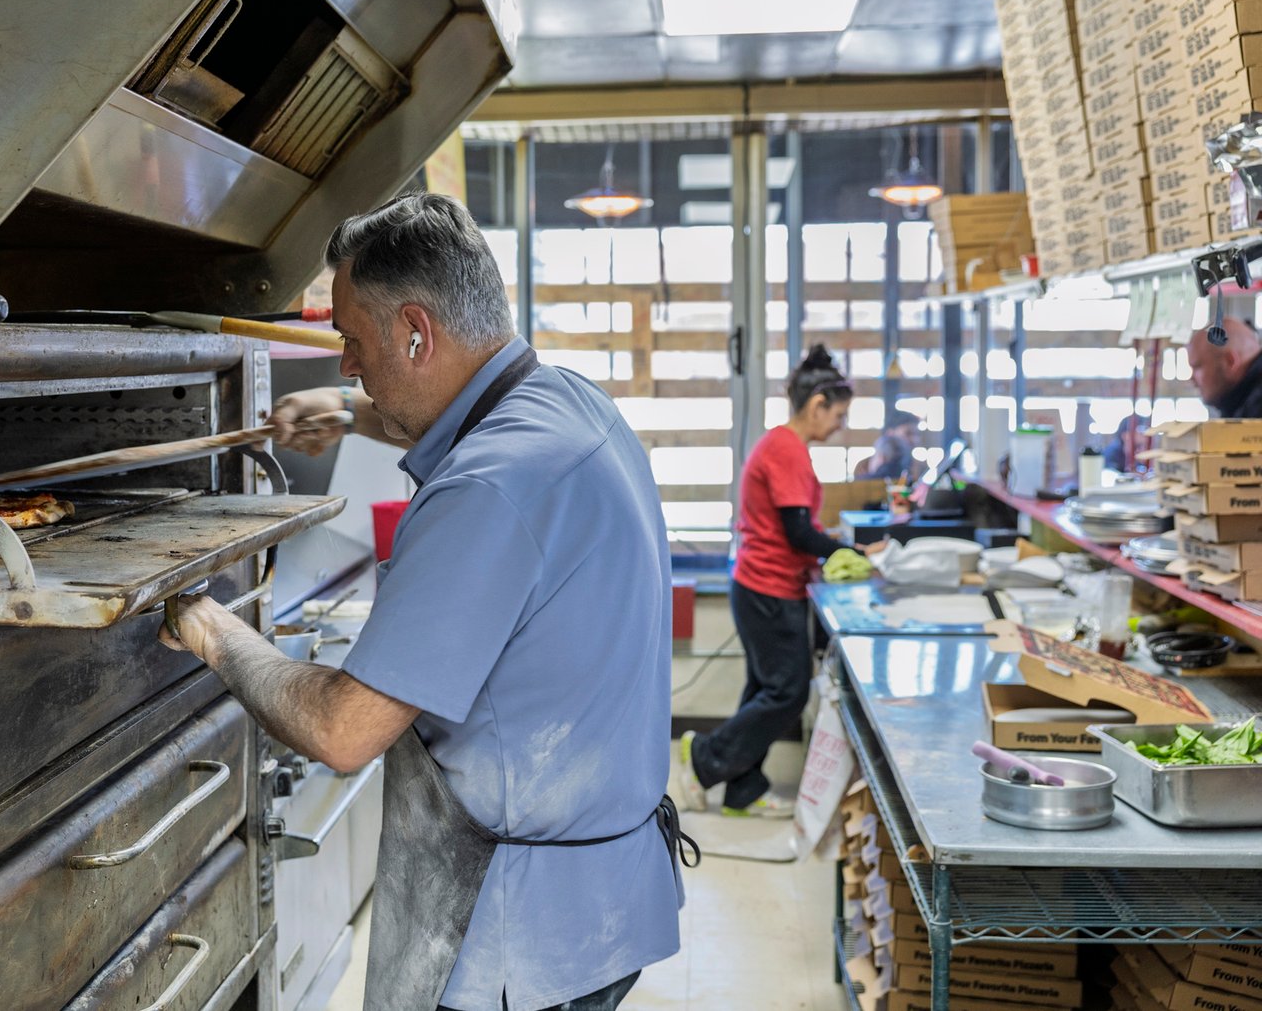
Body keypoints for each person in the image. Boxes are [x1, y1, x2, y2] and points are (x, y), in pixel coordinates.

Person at [159, 193, 691, 1011]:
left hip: (515, 938)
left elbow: (343, 730)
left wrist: (212, 629)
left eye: (352, 340)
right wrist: (350, 415)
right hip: (606, 900)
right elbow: (471, 415)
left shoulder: (484, 490)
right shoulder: (571, 402)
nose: (345, 363)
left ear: (415, 330)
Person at [677, 345, 885, 819]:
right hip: (768, 587)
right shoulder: (786, 449)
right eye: (839, 415)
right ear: (817, 405)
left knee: (764, 689)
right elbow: (797, 532)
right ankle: (705, 758)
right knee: (787, 692)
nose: (840, 426)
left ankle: (743, 791)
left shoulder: (781, 445)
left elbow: (797, 526)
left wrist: (838, 547)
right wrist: (853, 553)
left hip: (760, 584)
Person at [1187, 317, 1262, 418]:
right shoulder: (1241, 402)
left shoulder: (1255, 409)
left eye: (1197, 367)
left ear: (1230, 362)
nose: (1191, 379)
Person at [854, 408, 921, 481]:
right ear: (890, 433)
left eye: (917, 434)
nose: (915, 440)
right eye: (908, 433)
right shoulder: (863, 467)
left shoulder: (918, 467)